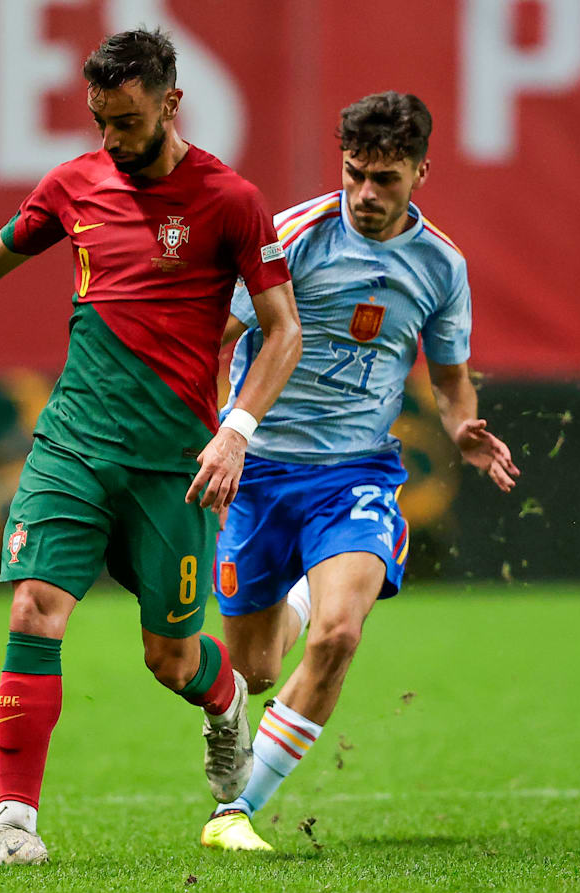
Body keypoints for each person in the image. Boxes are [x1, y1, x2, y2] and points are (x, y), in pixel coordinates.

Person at [0, 28, 301, 867]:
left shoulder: (230, 200)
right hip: (72, 445)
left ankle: (223, 700)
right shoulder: (75, 184)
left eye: (126, 121)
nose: (111, 139)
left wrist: (236, 433)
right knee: (32, 611)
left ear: (171, 102)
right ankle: (15, 827)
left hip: (175, 466)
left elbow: (284, 332)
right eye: (99, 120)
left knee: (172, 657)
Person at [199, 92, 518, 851]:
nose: (367, 196)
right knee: (256, 667)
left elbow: (448, 379)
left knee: (341, 634)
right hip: (261, 473)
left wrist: (461, 427)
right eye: (355, 175)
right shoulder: (294, 237)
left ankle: (234, 812)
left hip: (355, 476)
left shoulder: (440, 265)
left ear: (421, 172)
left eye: (387, 180)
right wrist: (222, 437)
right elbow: (217, 337)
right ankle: (306, 592)